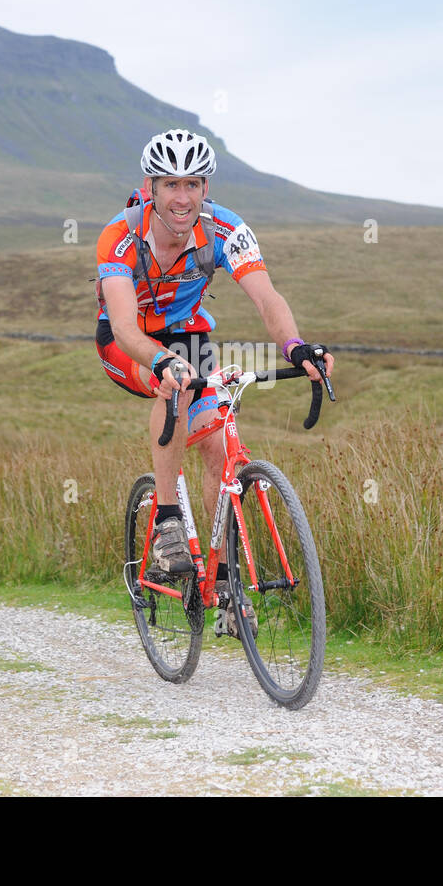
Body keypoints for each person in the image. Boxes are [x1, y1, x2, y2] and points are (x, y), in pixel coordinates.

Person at [94, 129, 334, 608]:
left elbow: (266, 296)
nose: (182, 197)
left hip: (188, 336)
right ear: (151, 187)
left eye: (193, 184)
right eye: (170, 185)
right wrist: (160, 360)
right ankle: (166, 522)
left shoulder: (226, 229)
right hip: (131, 344)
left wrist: (296, 347)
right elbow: (122, 324)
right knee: (174, 387)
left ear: (206, 188)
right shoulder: (119, 237)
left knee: (219, 441)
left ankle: (223, 576)